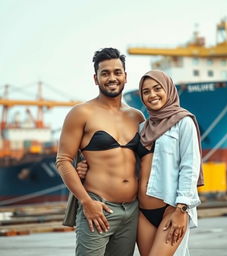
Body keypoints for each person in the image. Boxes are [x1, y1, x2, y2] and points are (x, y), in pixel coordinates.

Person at [77, 70, 204, 256]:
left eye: (157, 89)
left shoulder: (184, 122)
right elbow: (128, 160)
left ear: (168, 90)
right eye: (146, 92)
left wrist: (182, 209)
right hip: (143, 212)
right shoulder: (143, 127)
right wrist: (86, 166)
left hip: (171, 208)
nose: (152, 95)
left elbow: (189, 167)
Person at [56, 47, 144, 256]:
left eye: (117, 72)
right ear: (96, 79)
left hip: (131, 211)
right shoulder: (81, 113)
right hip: (98, 207)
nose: (111, 78)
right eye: (105, 73)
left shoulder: (137, 116)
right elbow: (63, 160)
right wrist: (86, 201)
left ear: (125, 76)